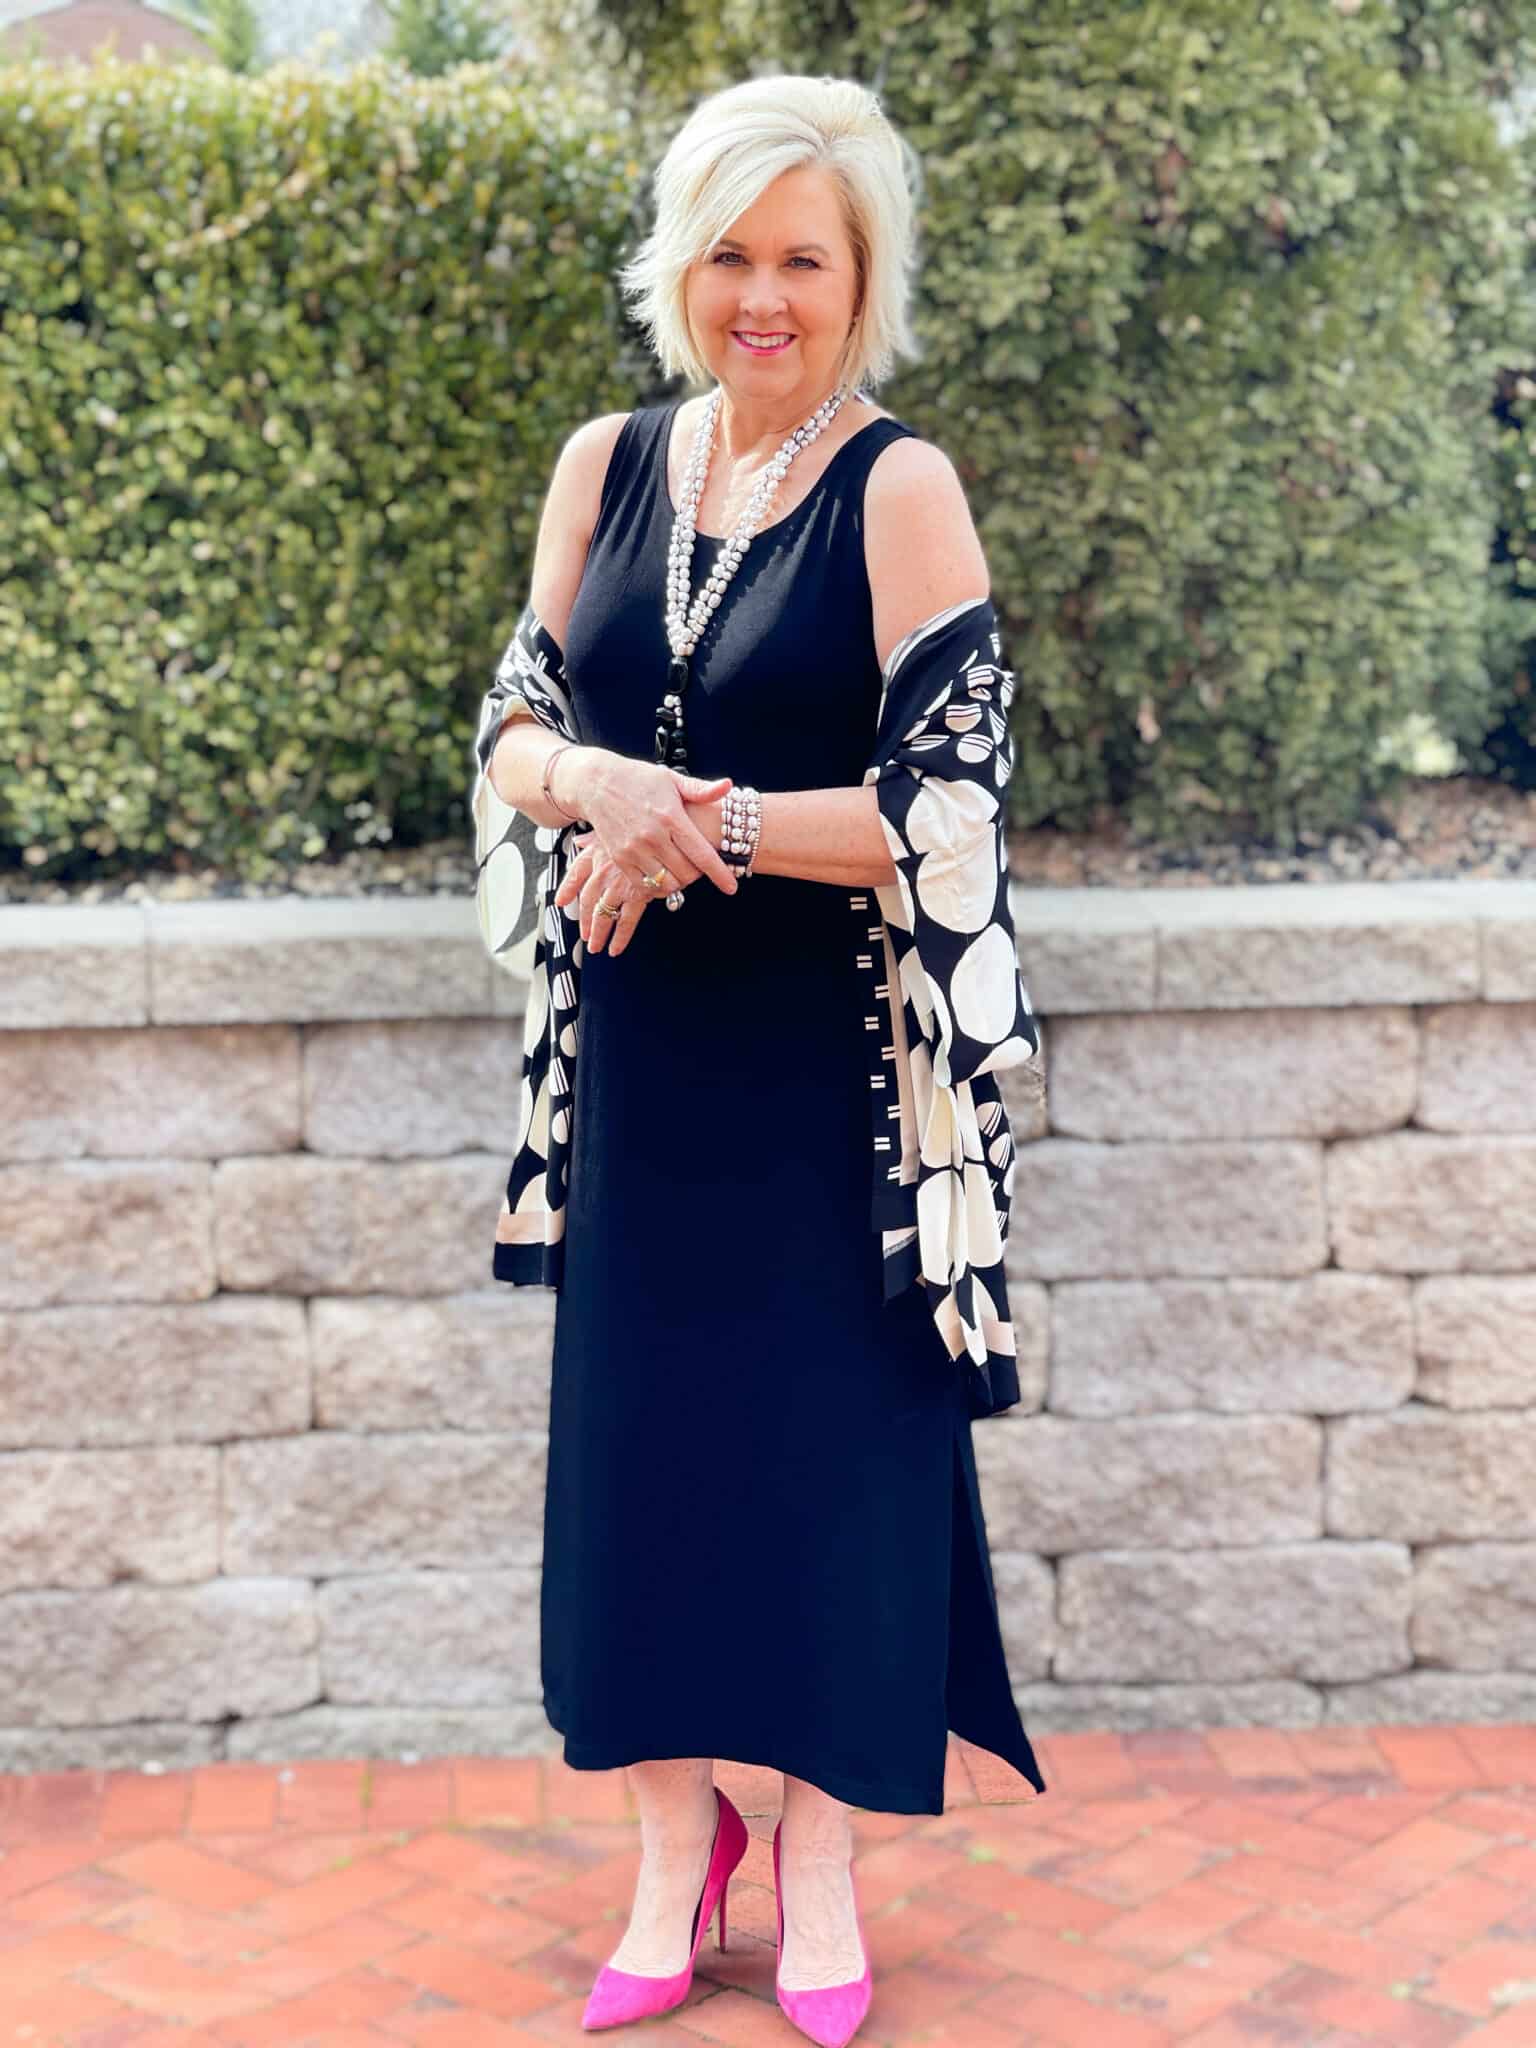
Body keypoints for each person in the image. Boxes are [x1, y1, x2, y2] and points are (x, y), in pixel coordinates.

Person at [470, 71, 1047, 2046]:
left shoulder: (903, 486)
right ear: (681, 267)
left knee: (818, 1470)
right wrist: (610, 784)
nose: (764, 292)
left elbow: (941, 814)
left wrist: (694, 822)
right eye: (730, 250)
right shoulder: (603, 467)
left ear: (862, 277)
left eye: (804, 255)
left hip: (827, 1085)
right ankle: (663, 1851)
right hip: (646, 1073)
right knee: (643, 1466)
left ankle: (810, 1861)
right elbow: (513, 739)